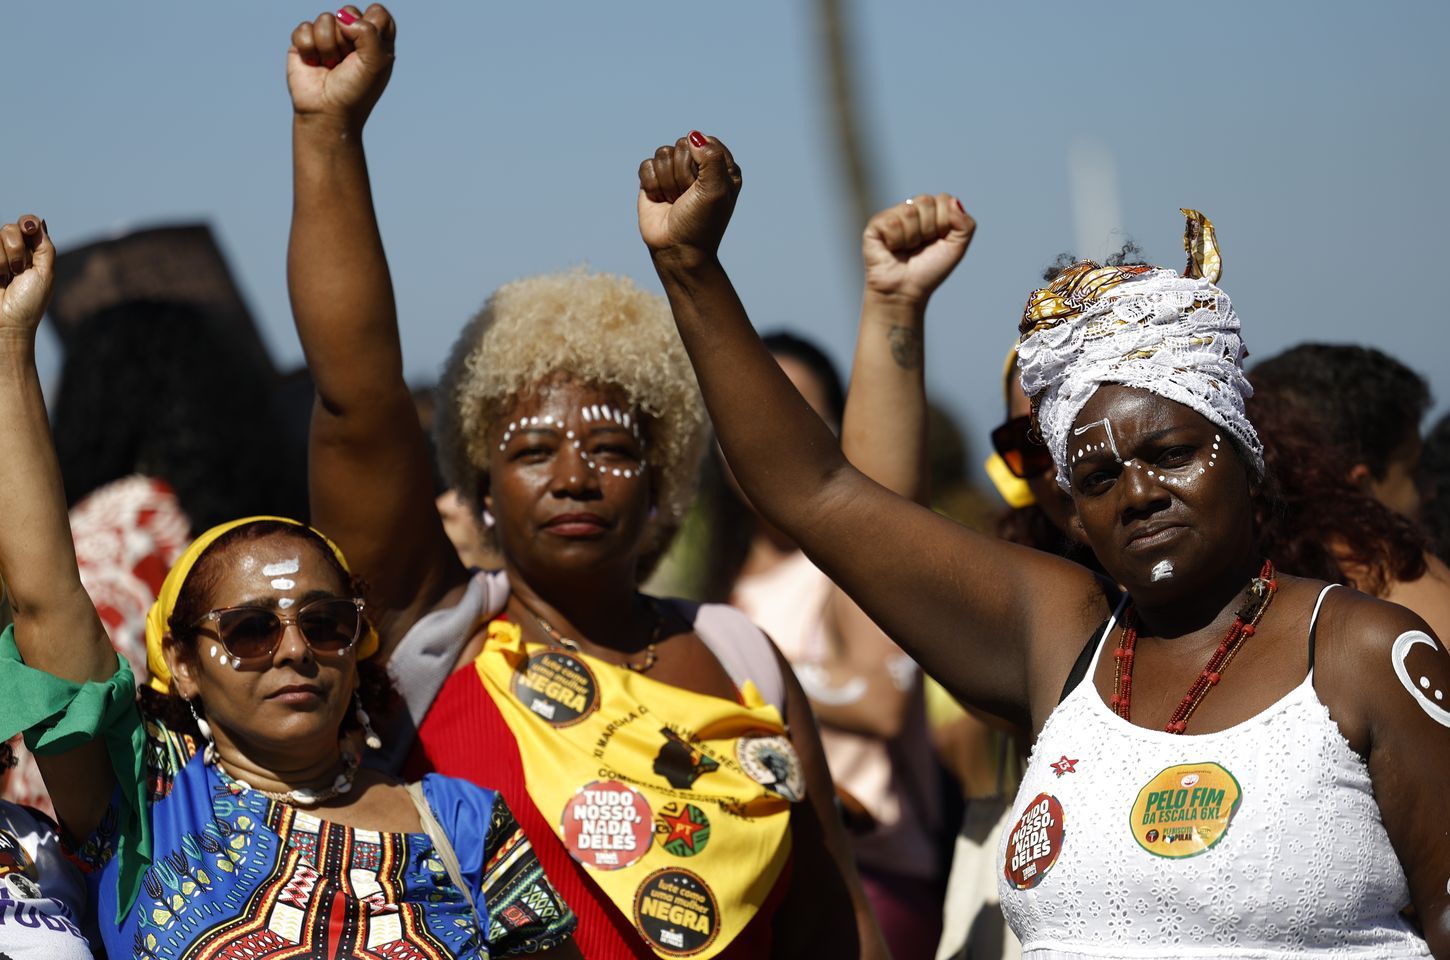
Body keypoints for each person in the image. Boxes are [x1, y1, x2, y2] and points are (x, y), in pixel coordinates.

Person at [638, 134, 1450, 957]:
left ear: (1245, 451)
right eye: (1097, 478)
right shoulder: (1064, 639)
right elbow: (815, 492)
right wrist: (689, 266)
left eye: (1171, 453)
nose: (1137, 493)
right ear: (1069, 511)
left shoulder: (1359, 651)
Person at [284, 8, 885, 958]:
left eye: (610, 449)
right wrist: (328, 132)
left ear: (664, 480)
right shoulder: (431, 633)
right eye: (531, 452)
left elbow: (834, 921)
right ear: (479, 485)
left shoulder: (743, 656)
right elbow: (358, 402)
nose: (573, 476)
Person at [0, 215, 577, 959]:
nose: (296, 650)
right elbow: (47, 597)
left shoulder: (462, 822)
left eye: (326, 622)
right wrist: (12, 347)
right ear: (182, 663)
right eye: (250, 630)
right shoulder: (144, 800)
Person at [708, 194, 973, 960]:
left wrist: (742, 676)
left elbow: (887, 701)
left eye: (797, 416)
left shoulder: (845, 567)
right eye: (747, 420)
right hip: (754, 886)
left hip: (876, 886)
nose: (768, 440)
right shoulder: (708, 588)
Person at [1247, 344, 1450, 640]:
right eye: (1414, 472)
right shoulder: (1410, 585)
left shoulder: (1226, 578)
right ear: (1360, 482)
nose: (1430, 492)